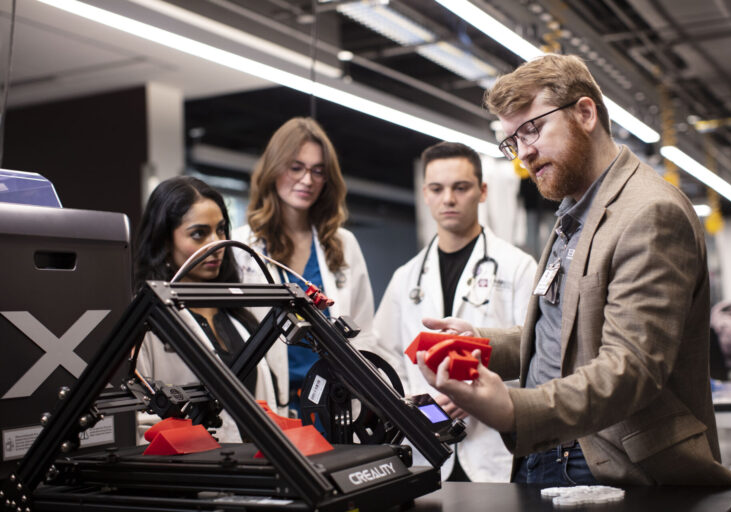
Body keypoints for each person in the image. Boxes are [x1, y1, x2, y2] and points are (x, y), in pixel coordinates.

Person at [417, 54, 731, 494]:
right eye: (511, 142)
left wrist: (514, 410)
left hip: (610, 464)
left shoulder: (649, 212)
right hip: (545, 452)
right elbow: (565, 338)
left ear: (585, 112)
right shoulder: (574, 212)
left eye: (532, 129)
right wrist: (479, 345)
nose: (523, 153)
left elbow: (629, 368)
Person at [373, 141, 536, 482]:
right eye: (437, 188)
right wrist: (418, 402)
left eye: (460, 187)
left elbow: (536, 354)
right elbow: (384, 356)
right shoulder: (406, 278)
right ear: (426, 195)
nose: (448, 198)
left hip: (496, 448)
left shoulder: (517, 267)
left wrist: (484, 392)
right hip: (426, 444)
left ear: (482, 191)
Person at [232, 117, 376, 417]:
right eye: (296, 167)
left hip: (334, 404)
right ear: (273, 169)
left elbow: (364, 333)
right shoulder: (241, 247)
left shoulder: (342, 243)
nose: (307, 180)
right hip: (267, 406)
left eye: (318, 171)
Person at [134, 176, 276, 442]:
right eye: (199, 234)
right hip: (193, 478)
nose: (216, 245)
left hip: (258, 472)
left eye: (221, 230)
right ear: (165, 242)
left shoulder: (239, 319)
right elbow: (140, 423)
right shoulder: (146, 326)